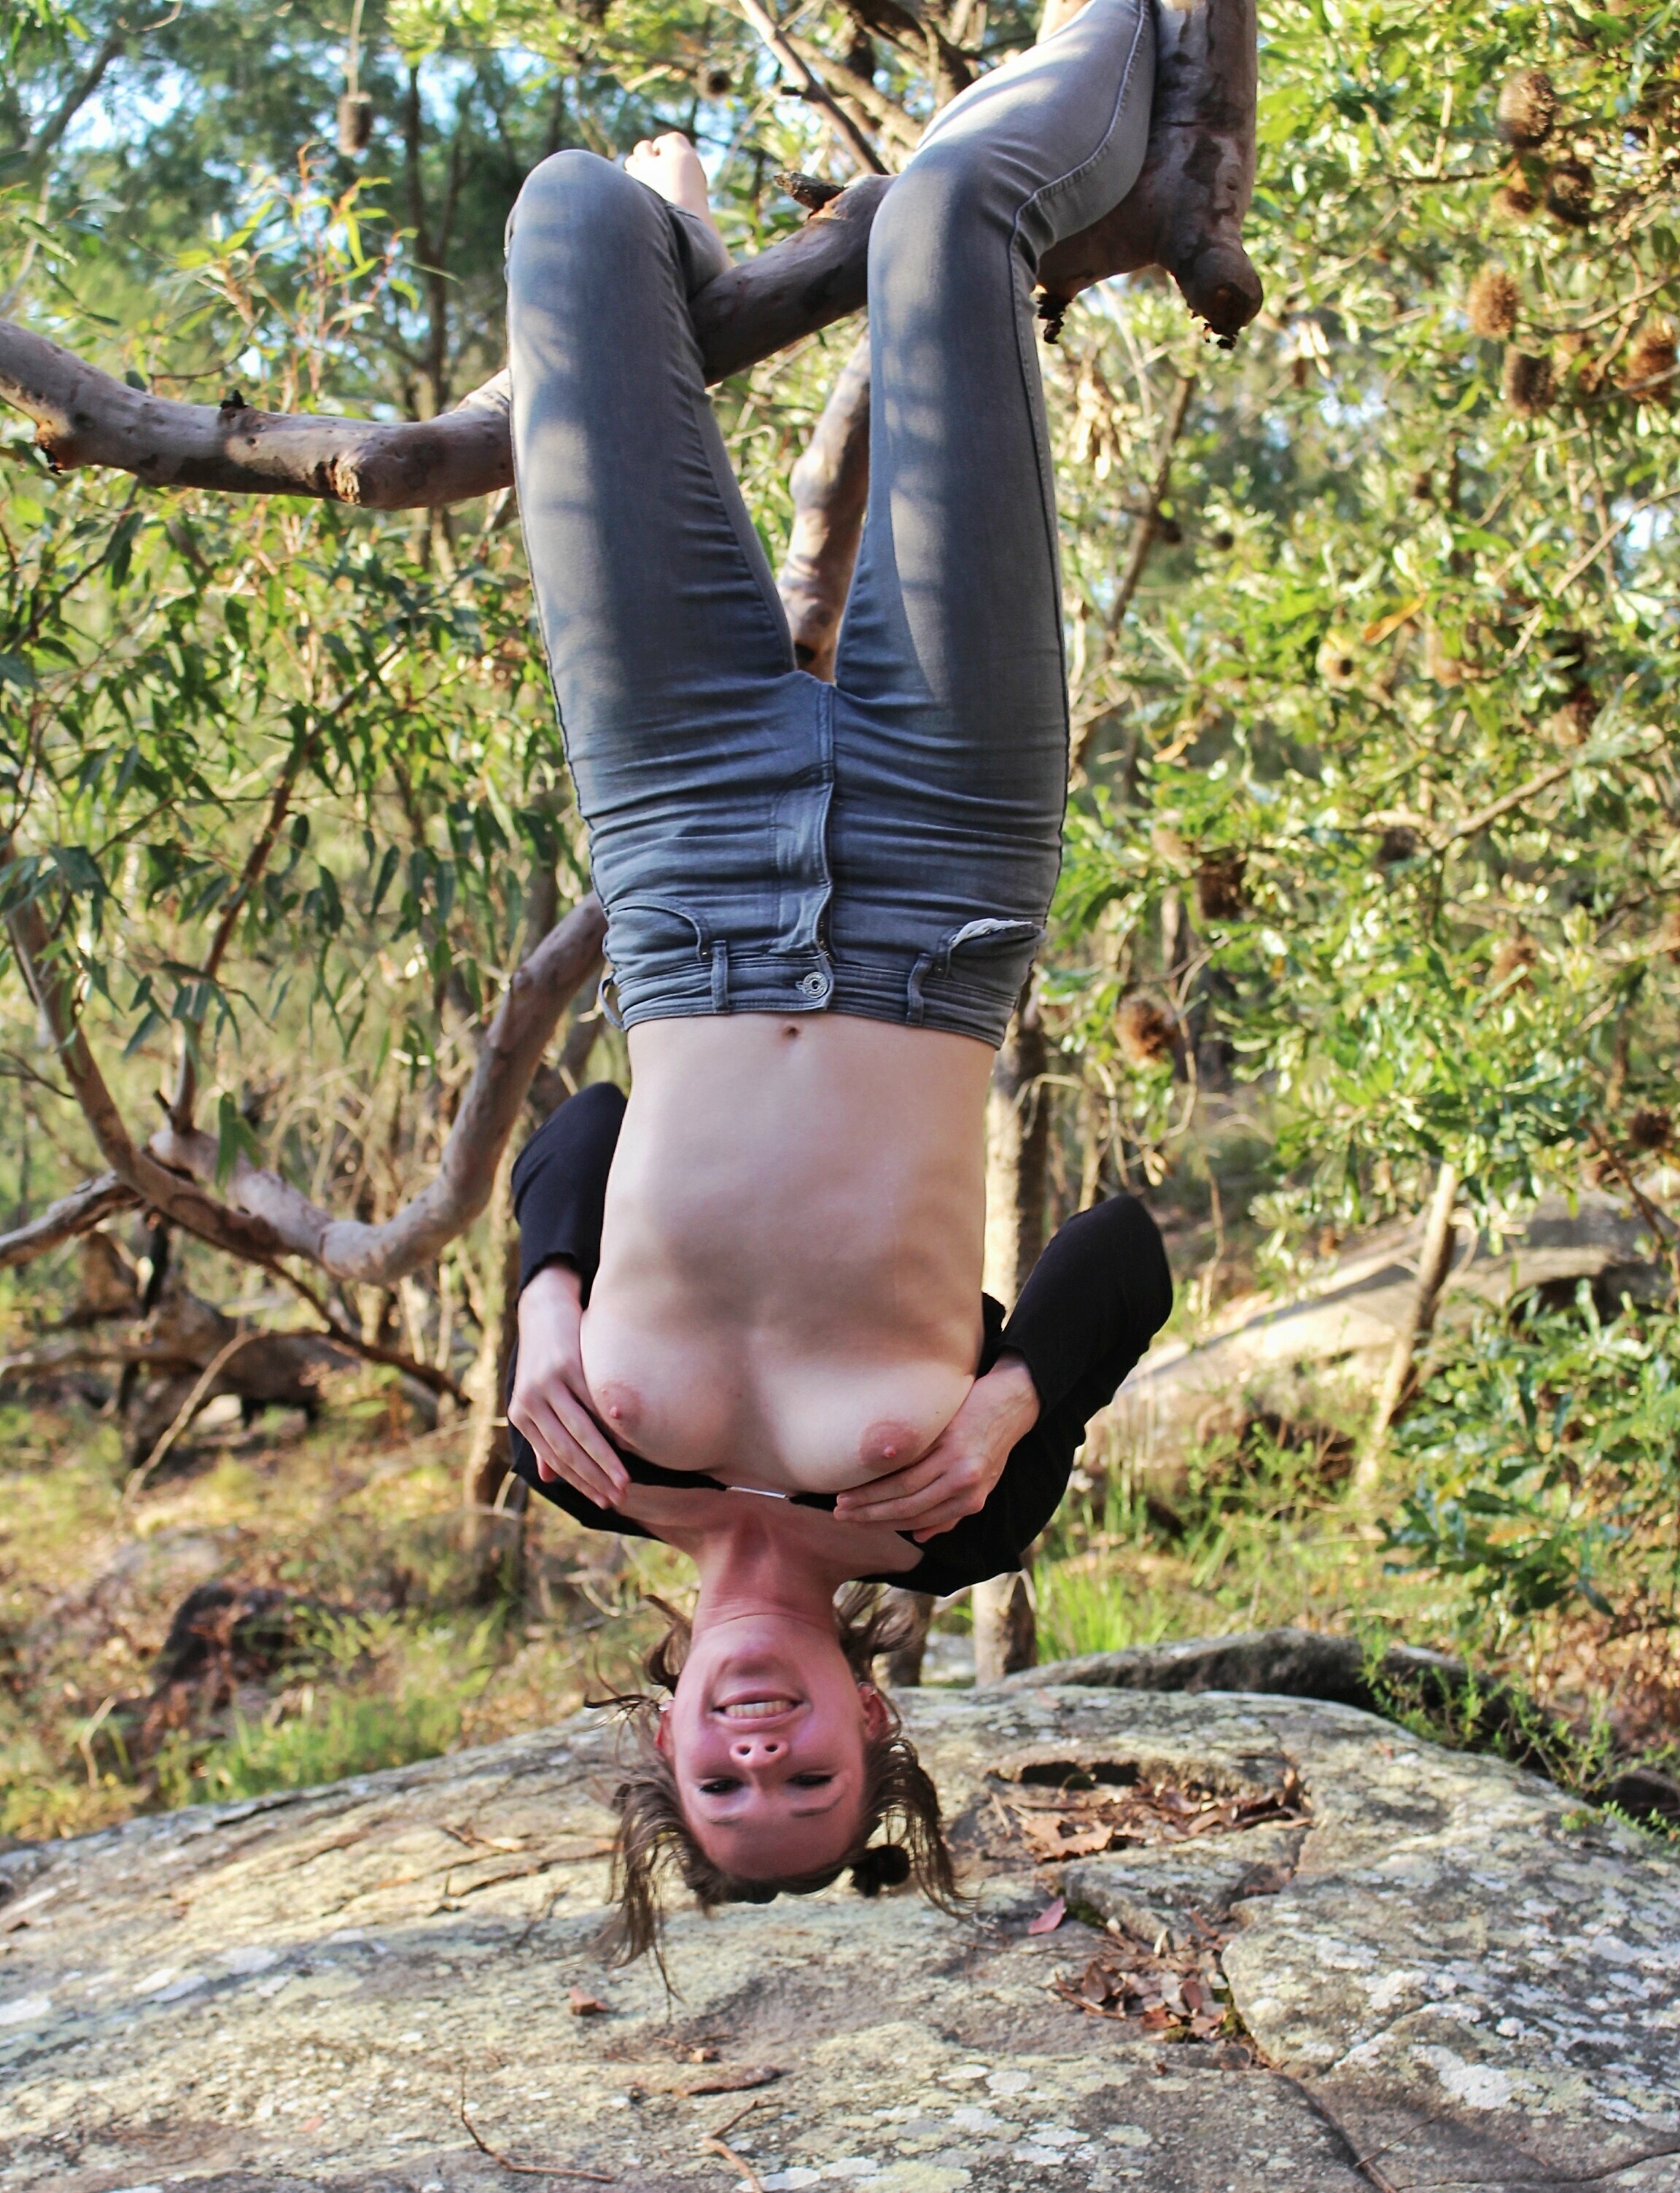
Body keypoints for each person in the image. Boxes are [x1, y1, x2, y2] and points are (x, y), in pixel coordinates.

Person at [502, 0, 1172, 1953]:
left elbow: (588, 1125)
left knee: (569, 217)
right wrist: (1016, 1397)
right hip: (943, 876)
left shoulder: (585, 1468)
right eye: (813, 1785)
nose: (764, 1756)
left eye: (725, 1790)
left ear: (664, 1738)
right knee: (950, 214)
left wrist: (544, 1308)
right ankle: (1127, 44)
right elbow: (1126, 1251)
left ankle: (678, 240)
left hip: (685, 862)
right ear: (879, 1725)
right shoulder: (956, 1524)